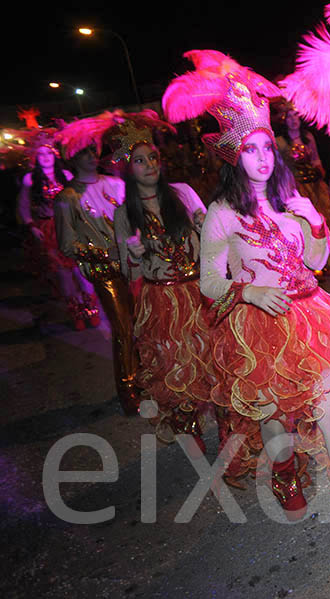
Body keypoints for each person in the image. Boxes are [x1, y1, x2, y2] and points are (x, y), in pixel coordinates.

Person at [163, 50, 330, 519]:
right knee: (274, 417)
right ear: (233, 155)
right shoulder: (221, 213)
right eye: (251, 148)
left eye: (267, 147)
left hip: (311, 316)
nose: (263, 157)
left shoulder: (293, 198)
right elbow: (209, 281)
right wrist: (247, 291)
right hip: (259, 326)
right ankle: (285, 473)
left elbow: (318, 261)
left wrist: (313, 225)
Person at [112, 119, 211, 453]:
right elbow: (128, 271)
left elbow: (212, 239)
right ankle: (187, 422)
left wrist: (203, 226)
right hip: (161, 297)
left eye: (153, 157)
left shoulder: (182, 192)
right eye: (140, 160)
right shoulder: (125, 212)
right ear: (129, 170)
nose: (150, 165)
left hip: (197, 288)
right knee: (175, 363)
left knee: (211, 354)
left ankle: (228, 420)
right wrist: (135, 254)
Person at [55, 113, 148, 415]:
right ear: (72, 157)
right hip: (105, 272)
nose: (91, 156)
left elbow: (136, 219)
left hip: (134, 266)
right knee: (123, 329)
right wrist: (101, 253)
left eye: (93, 149)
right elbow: (67, 245)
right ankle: (129, 391)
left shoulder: (116, 184)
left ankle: (151, 379)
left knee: (145, 325)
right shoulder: (67, 198)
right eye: (84, 151)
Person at [17, 129, 98, 329]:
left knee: (80, 268)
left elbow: (80, 201)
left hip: (71, 226)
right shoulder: (30, 179)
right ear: (36, 158)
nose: (45, 158)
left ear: (55, 155)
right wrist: (31, 225)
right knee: (63, 272)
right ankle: (76, 310)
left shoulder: (67, 175)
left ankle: (91, 307)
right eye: (41, 155)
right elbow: (23, 207)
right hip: (49, 230)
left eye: (49, 153)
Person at [275, 107, 330, 258]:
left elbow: (316, 159)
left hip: (314, 185)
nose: (293, 120)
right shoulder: (279, 142)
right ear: (284, 120)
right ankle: (308, 258)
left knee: (322, 217)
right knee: (301, 222)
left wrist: (320, 172)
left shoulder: (307, 137)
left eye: (296, 116)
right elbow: (278, 168)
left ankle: (325, 257)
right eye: (290, 117)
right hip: (295, 188)